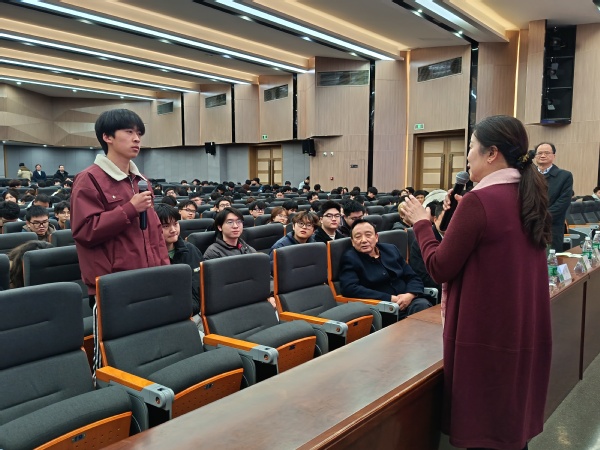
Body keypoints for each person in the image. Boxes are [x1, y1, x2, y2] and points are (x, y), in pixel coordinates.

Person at [402, 115, 552, 450]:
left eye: (471, 147)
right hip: (519, 329)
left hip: (486, 336)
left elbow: (440, 266)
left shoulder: (480, 201)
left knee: (486, 433)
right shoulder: (528, 193)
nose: (467, 156)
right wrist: (454, 219)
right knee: (509, 433)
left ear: (491, 153)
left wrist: (421, 223)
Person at [340, 219, 430, 318]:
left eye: (368, 235)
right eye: (358, 237)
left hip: (409, 301)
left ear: (376, 237)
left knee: (422, 306)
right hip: (383, 308)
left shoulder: (391, 249)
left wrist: (410, 295)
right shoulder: (350, 258)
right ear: (352, 242)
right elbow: (349, 288)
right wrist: (389, 298)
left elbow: (413, 276)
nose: (364, 240)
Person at [155, 204, 203, 330]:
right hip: (174, 320)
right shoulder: (150, 257)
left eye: (175, 224)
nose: (173, 230)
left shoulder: (191, 250)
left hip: (200, 313)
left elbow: (202, 284)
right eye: (166, 226)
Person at [534, 142, 574, 252]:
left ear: (554, 156)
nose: (543, 156)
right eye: (539, 153)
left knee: (551, 258)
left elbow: (563, 202)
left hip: (552, 226)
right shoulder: (527, 175)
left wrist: (540, 218)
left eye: (547, 153)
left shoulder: (564, 176)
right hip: (528, 227)